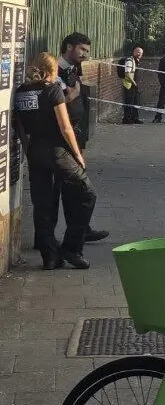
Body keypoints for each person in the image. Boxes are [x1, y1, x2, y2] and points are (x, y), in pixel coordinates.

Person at [15, 53, 97, 270]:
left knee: (42, 205)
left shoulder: (21, 92)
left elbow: (20, 127)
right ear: (52, 70)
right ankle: (72, 248)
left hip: (34, 152)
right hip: (57, 152)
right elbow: (65, 127)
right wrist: (77, 155)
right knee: (87, 193)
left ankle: (50, 256)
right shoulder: (52, 90)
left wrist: (28, 151)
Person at [48, 33, 108, 247]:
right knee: (59, 188)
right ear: (68, 47)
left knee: (74, 187)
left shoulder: (74, 69)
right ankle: (47, 238)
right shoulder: (54, 70)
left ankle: (81, 229)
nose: (85, 54)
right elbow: (53, 104)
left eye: (87, 51)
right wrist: (72, 96)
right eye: (82, 49)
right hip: (59, 138)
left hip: (75, 134)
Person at [122, 46, 143, 124]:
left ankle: (135, 118)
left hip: (134, 85)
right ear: (134, 52)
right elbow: (127, 73)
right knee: (129, 102)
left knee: (135, 102)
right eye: (138, 52)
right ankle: (127, 119)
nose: (139, 54)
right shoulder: (130, 60)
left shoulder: (136, 61)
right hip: (129, 85)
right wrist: (134, 82)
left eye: (141, 53)